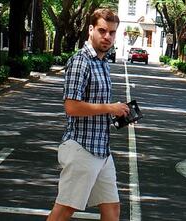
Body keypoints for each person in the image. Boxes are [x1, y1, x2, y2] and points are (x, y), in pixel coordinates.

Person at [47, 8, 129, 221]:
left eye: (112, 32)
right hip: (82, 148)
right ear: (91, 30)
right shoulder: (80, 61)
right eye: (102, 31)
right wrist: (110, 107)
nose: (107, 37)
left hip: (102, 150)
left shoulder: (102, 62)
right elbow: (72, 107)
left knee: (112, 209)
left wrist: (117, 115)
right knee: (64, 210)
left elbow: (96, 106)